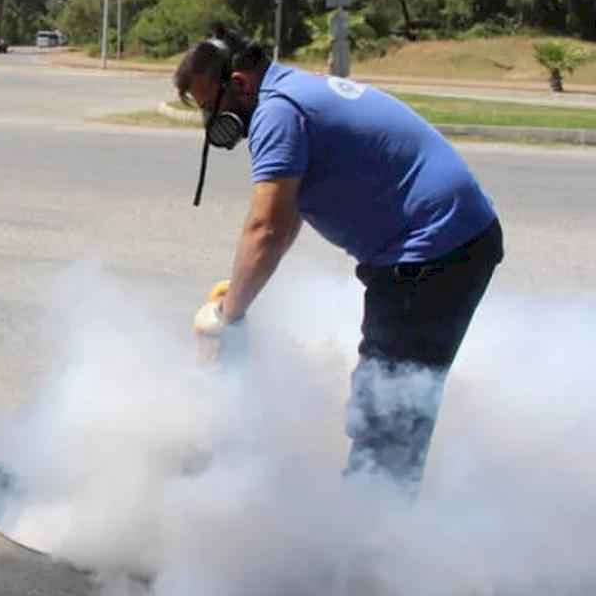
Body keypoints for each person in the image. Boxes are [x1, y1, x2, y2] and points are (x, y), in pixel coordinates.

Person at [177, 27, 504, 494]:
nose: (214, 120)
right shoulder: (289, 92)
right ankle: (376, 522)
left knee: (387, 410)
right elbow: (284, 224)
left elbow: (265, 229)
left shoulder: (277, 111)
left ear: (241, 82)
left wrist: (229, 318)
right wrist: (239, 302)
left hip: (433, 252)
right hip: (444, 245)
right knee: (386, 396)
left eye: (214, 106)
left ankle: (374, 547)